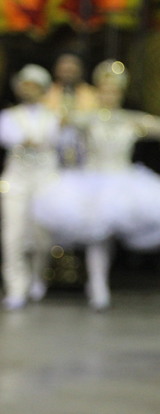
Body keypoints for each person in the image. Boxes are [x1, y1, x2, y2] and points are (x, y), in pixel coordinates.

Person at [32, 60, 160, 311]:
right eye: (105, 90)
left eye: (114, 91)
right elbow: (55, 120)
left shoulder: (130, 120)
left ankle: (99, 284)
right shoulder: (87, 118)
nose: (109, 95)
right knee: (92, 232)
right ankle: (88, 284)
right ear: (97, 91)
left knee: (104, 232)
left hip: (122, 180)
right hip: (90, 181)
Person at [0, 64, 61, 310]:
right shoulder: (9, 117)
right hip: (16, 180)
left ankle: (37, 275)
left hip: (45, 180)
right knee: (12, 235)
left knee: (41, 236)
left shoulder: (53, 117)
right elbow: (9, 137)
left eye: (34, 86)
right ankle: (15, 287)